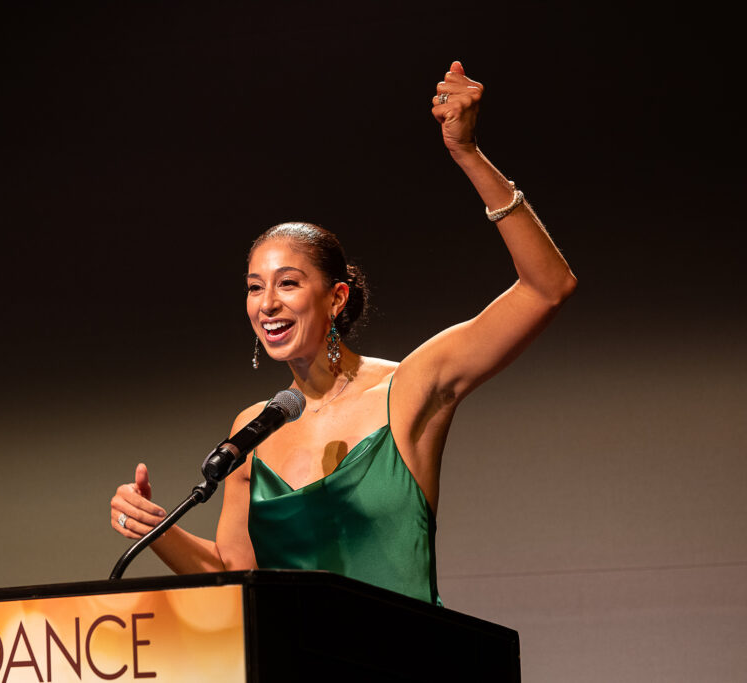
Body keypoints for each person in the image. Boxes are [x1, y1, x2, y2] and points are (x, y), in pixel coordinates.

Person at [109, 61, 576, 604]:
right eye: (254, 287)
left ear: (335, 298)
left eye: (287, 283)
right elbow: (237, 576)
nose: (267, 304)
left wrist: (467, 154)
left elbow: (547, 288)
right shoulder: (252, 431)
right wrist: (157, 532)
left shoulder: (408, 390)